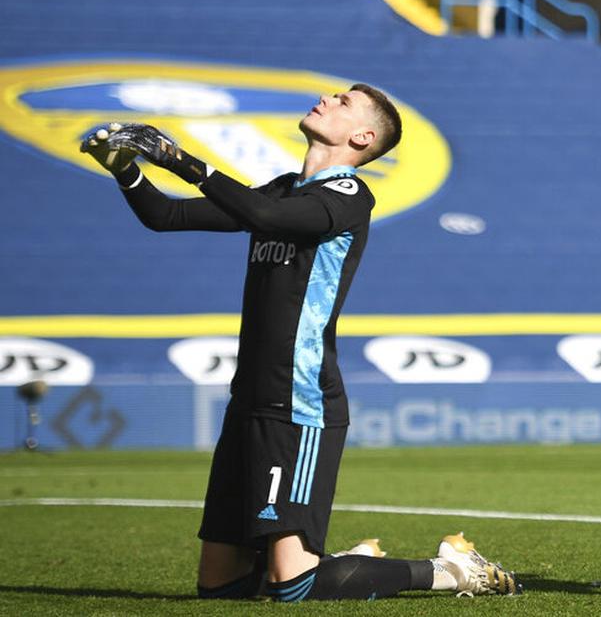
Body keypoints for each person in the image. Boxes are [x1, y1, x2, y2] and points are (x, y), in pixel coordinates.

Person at [82, 84, 520, 601]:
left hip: (300, 399)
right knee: (218, 587)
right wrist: (125, 171)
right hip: (248, 396)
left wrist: (183, 161)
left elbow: (267, 219)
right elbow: (166, 217)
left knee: (292, 584)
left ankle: (446, 570)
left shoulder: (350, 195)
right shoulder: (283, 189)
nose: (326, 98)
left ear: (363, 136)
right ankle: (342, 565)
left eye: (343, 102)